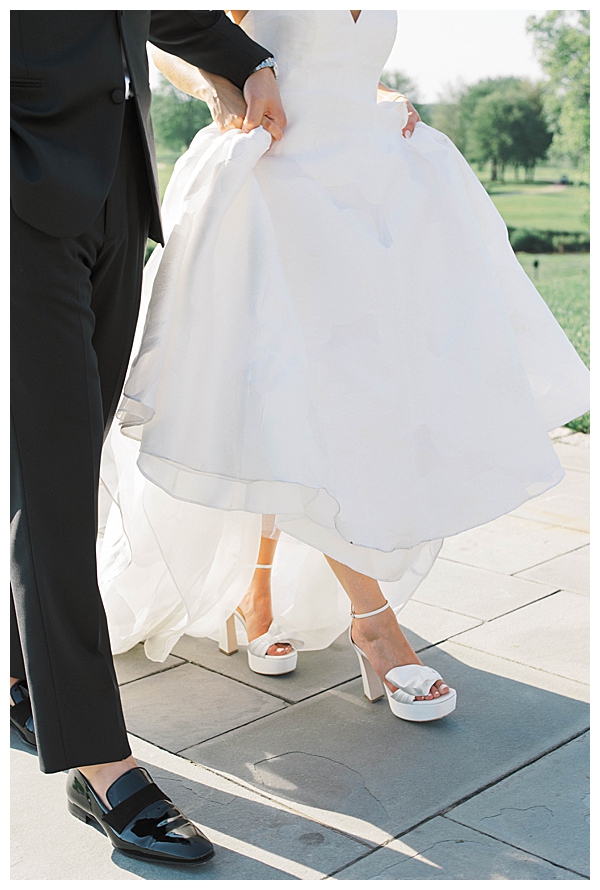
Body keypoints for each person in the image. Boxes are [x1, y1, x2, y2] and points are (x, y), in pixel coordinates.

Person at [99, 10, 589, 723]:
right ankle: (374, 624)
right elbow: (166, 30)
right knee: (298, 397)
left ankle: (258, 592)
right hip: (276, 181)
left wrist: (380, 93)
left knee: (342, 403)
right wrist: (220, 85)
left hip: (369, 187)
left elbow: (334, 60)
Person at [10, 9, 287, 866]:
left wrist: (246, 61)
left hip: (115, 186)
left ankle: (23, 672)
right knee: (53, 487)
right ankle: (99, 763)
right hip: (20, 191)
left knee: (59, 460)